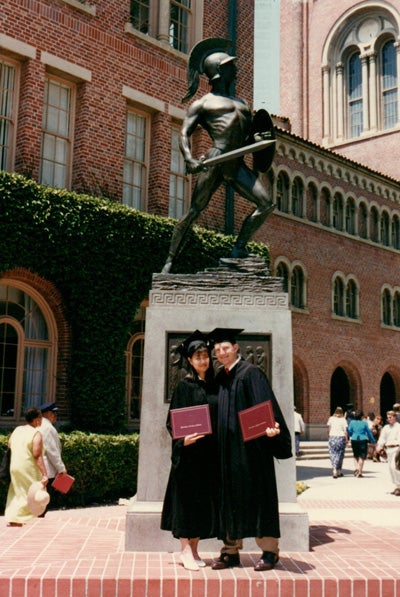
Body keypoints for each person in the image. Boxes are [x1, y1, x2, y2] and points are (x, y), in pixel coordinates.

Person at [162, 38, 275, 273]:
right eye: (231, 65)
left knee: (266, 203)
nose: (236, 68)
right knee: (195, 211)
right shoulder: (203, 104)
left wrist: (259, 141)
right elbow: (184, 133)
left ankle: (239, 249)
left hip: (236, 162)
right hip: (216, 159)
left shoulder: (243, 103)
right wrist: (189, 158)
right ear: (220, 70)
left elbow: (248, 136)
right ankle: (170, 260)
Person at [208, 327, 292, 572]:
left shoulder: (251, 373)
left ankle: (269, 551)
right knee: (229, 498)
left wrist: (273, 431)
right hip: (226, 452)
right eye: (217, 350)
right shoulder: (222, 377)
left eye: (225, 348)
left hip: (251, 451)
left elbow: (266, 407)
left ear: (236, 348)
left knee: (258, 496)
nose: (221, 353)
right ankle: (230, 551)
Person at [161, 331, 218, 571]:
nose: (203, 360)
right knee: (185, 503)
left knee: (201, 503)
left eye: (205, 356)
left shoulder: (215, 386)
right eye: (198, 357)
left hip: (208, 455)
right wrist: (182, 440)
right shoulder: (184, 387)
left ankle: (195, 549)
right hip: (189, 455)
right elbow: (171, 422)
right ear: (190, 361)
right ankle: (184, 549)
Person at [5, 407, 48, 527]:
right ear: (37, 420)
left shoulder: (18, 429)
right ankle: (24, 518)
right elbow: (37, 454)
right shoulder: (36, 433)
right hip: (28, 467)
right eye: (40, 418)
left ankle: (14, 517)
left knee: (16, 491)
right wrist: (44, 474)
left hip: (15, 466)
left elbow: (10, 445)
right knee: (30, 493)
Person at [39, 402, 67, 513]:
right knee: (43, 501)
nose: (56, 416)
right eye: (54, 413)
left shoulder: (37, 425)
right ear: (46, 414)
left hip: (36, 469)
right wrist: (61, 468)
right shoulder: (48, 428)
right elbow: (52, 451)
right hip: (46, 470)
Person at [375, 410, 400, 496]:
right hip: (388, 450)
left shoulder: (398, 427)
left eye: (390, 417)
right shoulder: (386, 428)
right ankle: (396, 486)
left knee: (394, 467)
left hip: (397, 449)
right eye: (388, 417)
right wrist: (379, 446)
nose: (389, 419)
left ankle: (399, 486)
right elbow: (382, 438)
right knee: (390, 468)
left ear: (395, 417)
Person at [347, 409, 375, 478]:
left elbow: (349, 431)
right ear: (362, 416)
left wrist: (351, 435)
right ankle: (360, 471)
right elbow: (369, 432)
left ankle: (356, 468)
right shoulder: (364, 423)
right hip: (363, 439)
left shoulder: (352, 422)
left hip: (354, 439)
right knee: (362, 456)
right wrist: (373, 441)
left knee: (355, 455)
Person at [326, 407, 348, 478]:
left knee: (332, 453)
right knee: (340, 454)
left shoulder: (331, 419)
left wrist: (329, 436)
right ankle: (338, 471)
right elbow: (345, 431)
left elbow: (329, 429)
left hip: (332, 437)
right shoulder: (343, 419)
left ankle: (334, 469)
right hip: (341, 437)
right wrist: (347, 439)